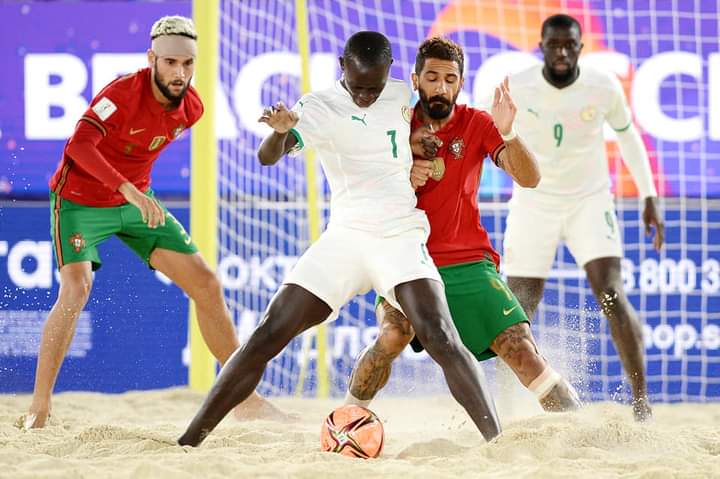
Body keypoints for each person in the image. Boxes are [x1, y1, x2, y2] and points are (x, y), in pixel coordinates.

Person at [177, 31, 502, 447]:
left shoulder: (403, 94)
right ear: (341, 68)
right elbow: (266, 156)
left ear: (390, 75)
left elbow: (437, 121)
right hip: (345, 238)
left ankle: (496, 442)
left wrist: (422, 149)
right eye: (358, 86)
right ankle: (190, 440)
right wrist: (278, 133)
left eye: (375, 87)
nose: (366, 95)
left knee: (440, 334)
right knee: (268, 332)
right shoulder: (317, 107)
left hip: (399, 235)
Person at [24, 15, 281, 429]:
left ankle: (244, 399)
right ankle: (39, 407)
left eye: (187, 64)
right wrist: (127, 189)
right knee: (77, 288)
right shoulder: (122, 93)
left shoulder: (192, 108)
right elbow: (79, 146)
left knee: (207, 283)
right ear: (152, 59)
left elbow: (139, 149)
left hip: (139, 204)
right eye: (170, 63)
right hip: (80, 201)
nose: (179, 73)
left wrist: (134, 193)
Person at [345, 37, 581, 414]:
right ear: (415, 79)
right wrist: (401, 177)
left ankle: (578, 428)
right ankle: (348, 416)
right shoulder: (393, 124)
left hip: (468, 261)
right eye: (432, 77)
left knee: (519, 346)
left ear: (461, 82)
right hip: (406, 259)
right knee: (392, 336)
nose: (441, 87)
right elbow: (357, 188)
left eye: (450, 79)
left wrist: (508, 132)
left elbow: (531, 178)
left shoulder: (478, 123)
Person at [502, 14, 664, 421]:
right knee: (518, 306)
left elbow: (629, 137)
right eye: (553, 45)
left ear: (580, 47)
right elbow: (486, 140)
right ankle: (513, 399)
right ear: (540, 46)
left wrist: (649, 195)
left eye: (568, 45)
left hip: (588, 202)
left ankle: (641, 402)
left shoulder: (602, 85)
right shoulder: (516, 86)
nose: (560, 52)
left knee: (611, 294)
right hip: (533, 202)